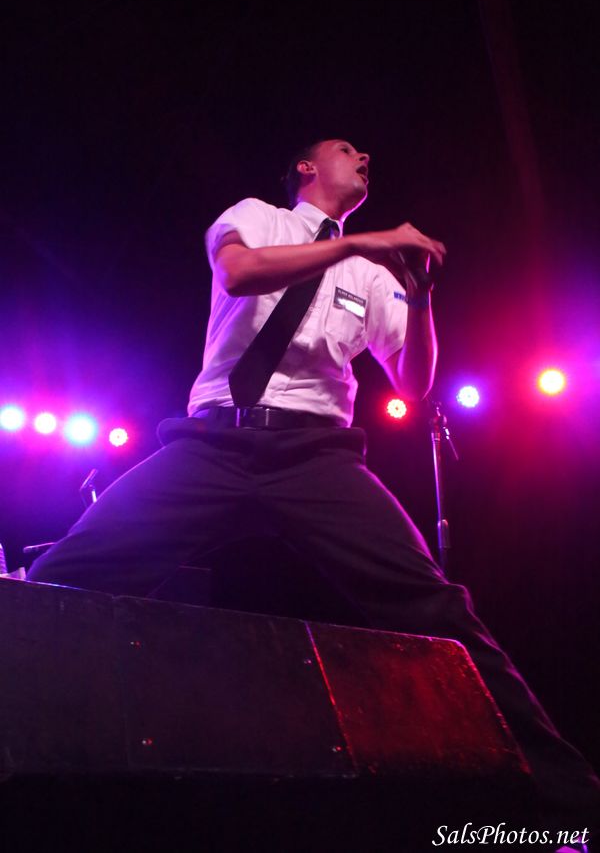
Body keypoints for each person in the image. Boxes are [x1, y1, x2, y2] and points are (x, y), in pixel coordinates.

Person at [27, 138, 598, 847]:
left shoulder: (372, 272)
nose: (365, 156)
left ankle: (571, 804)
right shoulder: (257, 218)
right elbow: (239, 273)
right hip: (214, 443)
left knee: (436, 606)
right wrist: (356, 243)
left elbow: (413, 381)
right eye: (346, 148)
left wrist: (421, 300)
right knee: (67, 573)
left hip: (316, 454)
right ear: (306, 168)